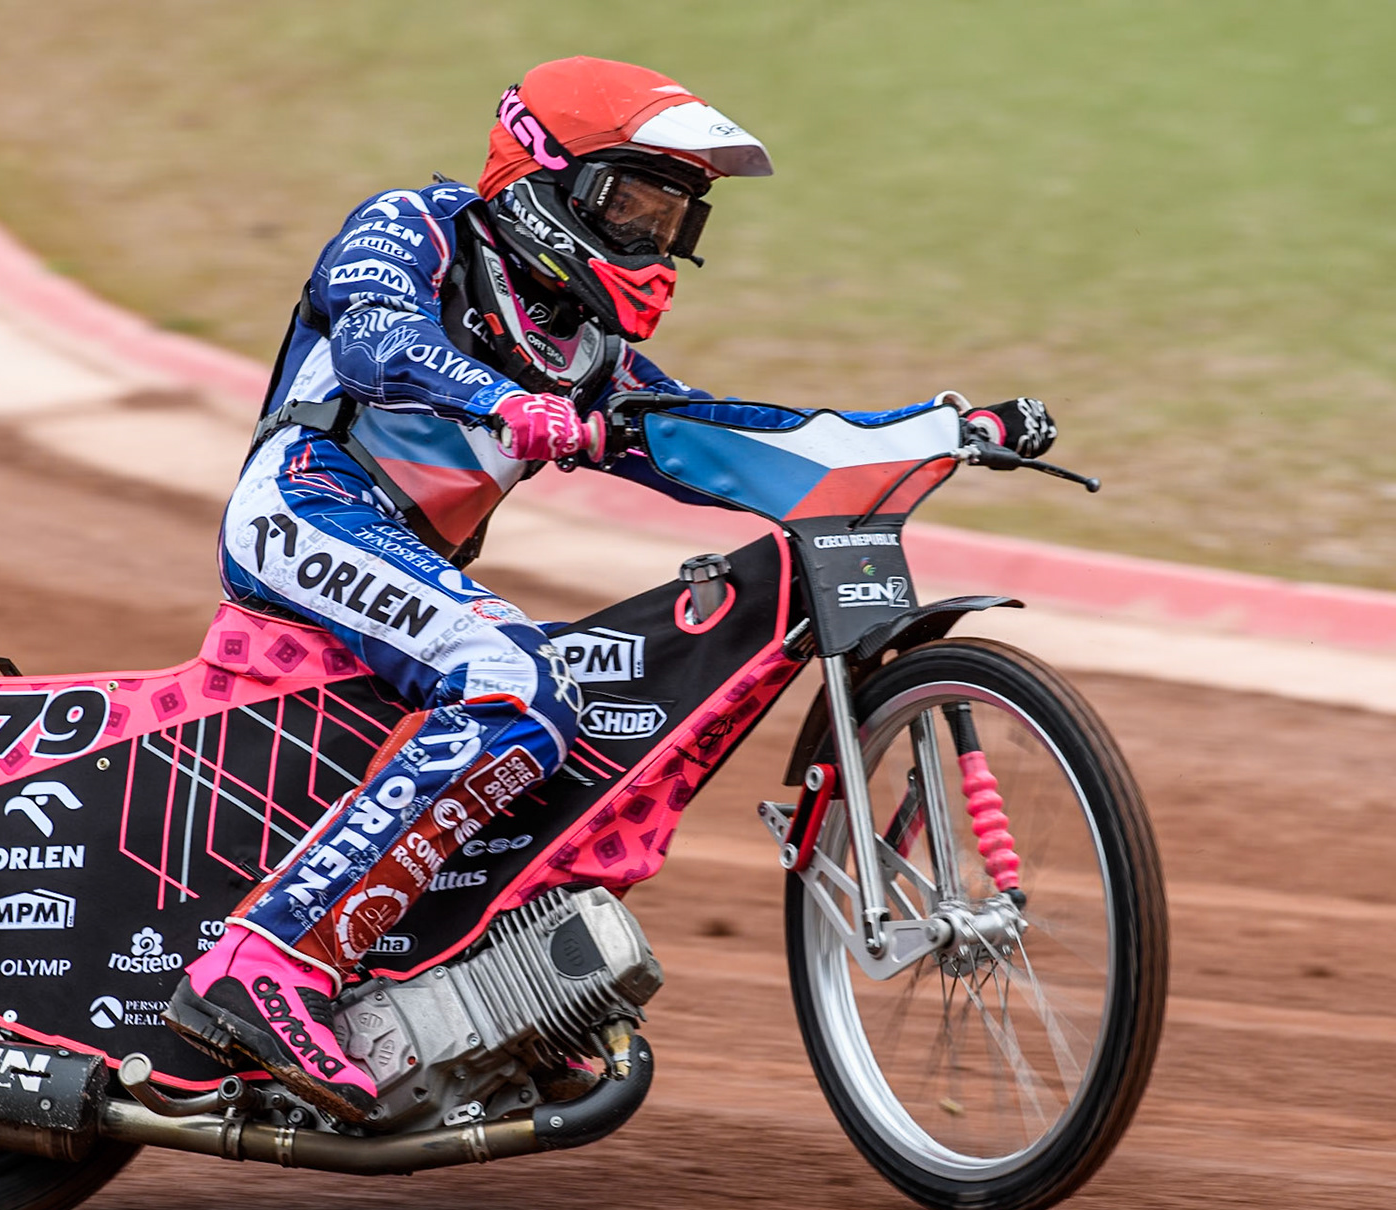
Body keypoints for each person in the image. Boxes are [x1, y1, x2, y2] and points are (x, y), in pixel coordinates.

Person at [166, 56, 1056, 1124]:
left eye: (675, 215)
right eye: (632, 202)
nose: (654, 240)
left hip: (405, 559)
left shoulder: (587, 350)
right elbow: (371, 339)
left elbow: (726, 439)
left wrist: (937, 429)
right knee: (514, 680)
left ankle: (482, 984)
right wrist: (501, 397)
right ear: (544, 180)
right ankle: (265, 965)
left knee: (575, 716)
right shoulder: (415, 225)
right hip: (304, 507)